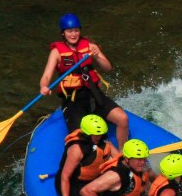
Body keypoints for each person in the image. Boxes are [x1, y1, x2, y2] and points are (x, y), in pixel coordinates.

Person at [39, 13, 130, 147]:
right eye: (70, 31)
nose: (74, 34)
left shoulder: (89, 45)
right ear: (63, 33)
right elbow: (46, 76)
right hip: (73, 101)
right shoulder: (57, 52)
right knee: (78, 137)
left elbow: (108, 68)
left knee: (123, 119)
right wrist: (44, 86)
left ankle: (123, 156)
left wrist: (98, 55)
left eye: (76, 30)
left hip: (94, 95)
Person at [80, 139, 154, 196]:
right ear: (127, 159)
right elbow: (86, 191)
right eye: (139, 159)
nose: (143, 162)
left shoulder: (142, 166)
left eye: (145, 158)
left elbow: (154, 179)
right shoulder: (115, 176)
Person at [56, 114, 119, 196]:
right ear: (87, 133)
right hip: (75, 184)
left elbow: (119, 158)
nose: (99, 137)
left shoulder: (102, 140)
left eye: (101, 134)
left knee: (119, 185)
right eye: (96, 134)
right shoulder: (77, 149)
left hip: (93, 178)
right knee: (106, 195)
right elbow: (65, 176)